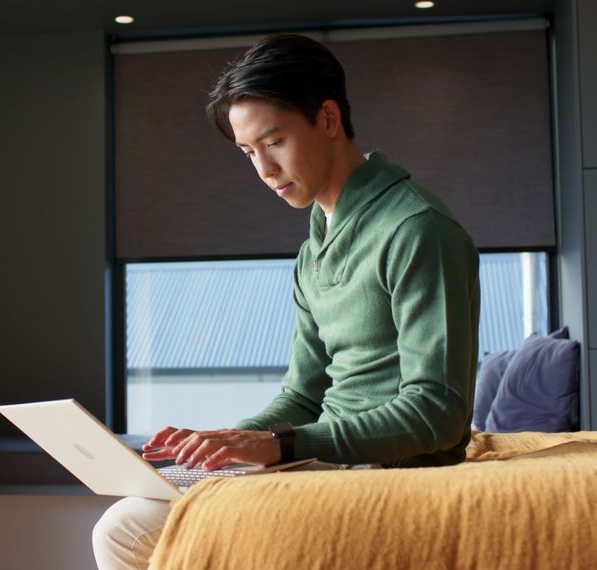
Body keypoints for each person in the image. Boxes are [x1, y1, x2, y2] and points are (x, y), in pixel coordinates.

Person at [93, 33, 480, 569]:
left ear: (327, 118)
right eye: (249, 152)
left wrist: (279, 446)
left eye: (273, 142)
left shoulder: (417, 229)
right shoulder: (314, 246)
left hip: (391, 471)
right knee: (136, 514)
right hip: (328, 458)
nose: (264, 171)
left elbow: (437, 413)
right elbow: (302, 396)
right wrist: (226, 442)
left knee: (127, 530)